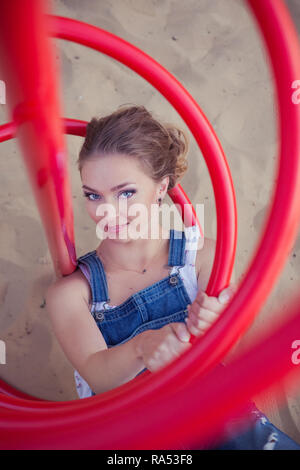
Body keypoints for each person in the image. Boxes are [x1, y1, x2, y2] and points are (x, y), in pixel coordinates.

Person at [45, 104, 300, 450]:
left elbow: (233, 354)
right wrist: (142, 346)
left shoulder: (203, 257)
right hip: (134, 432)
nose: (108, 211)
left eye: (126, 192)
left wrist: (220, 328)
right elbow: (99, 375)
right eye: (93, 195)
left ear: (161, 187)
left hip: (213, 413)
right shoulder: (75, 293)